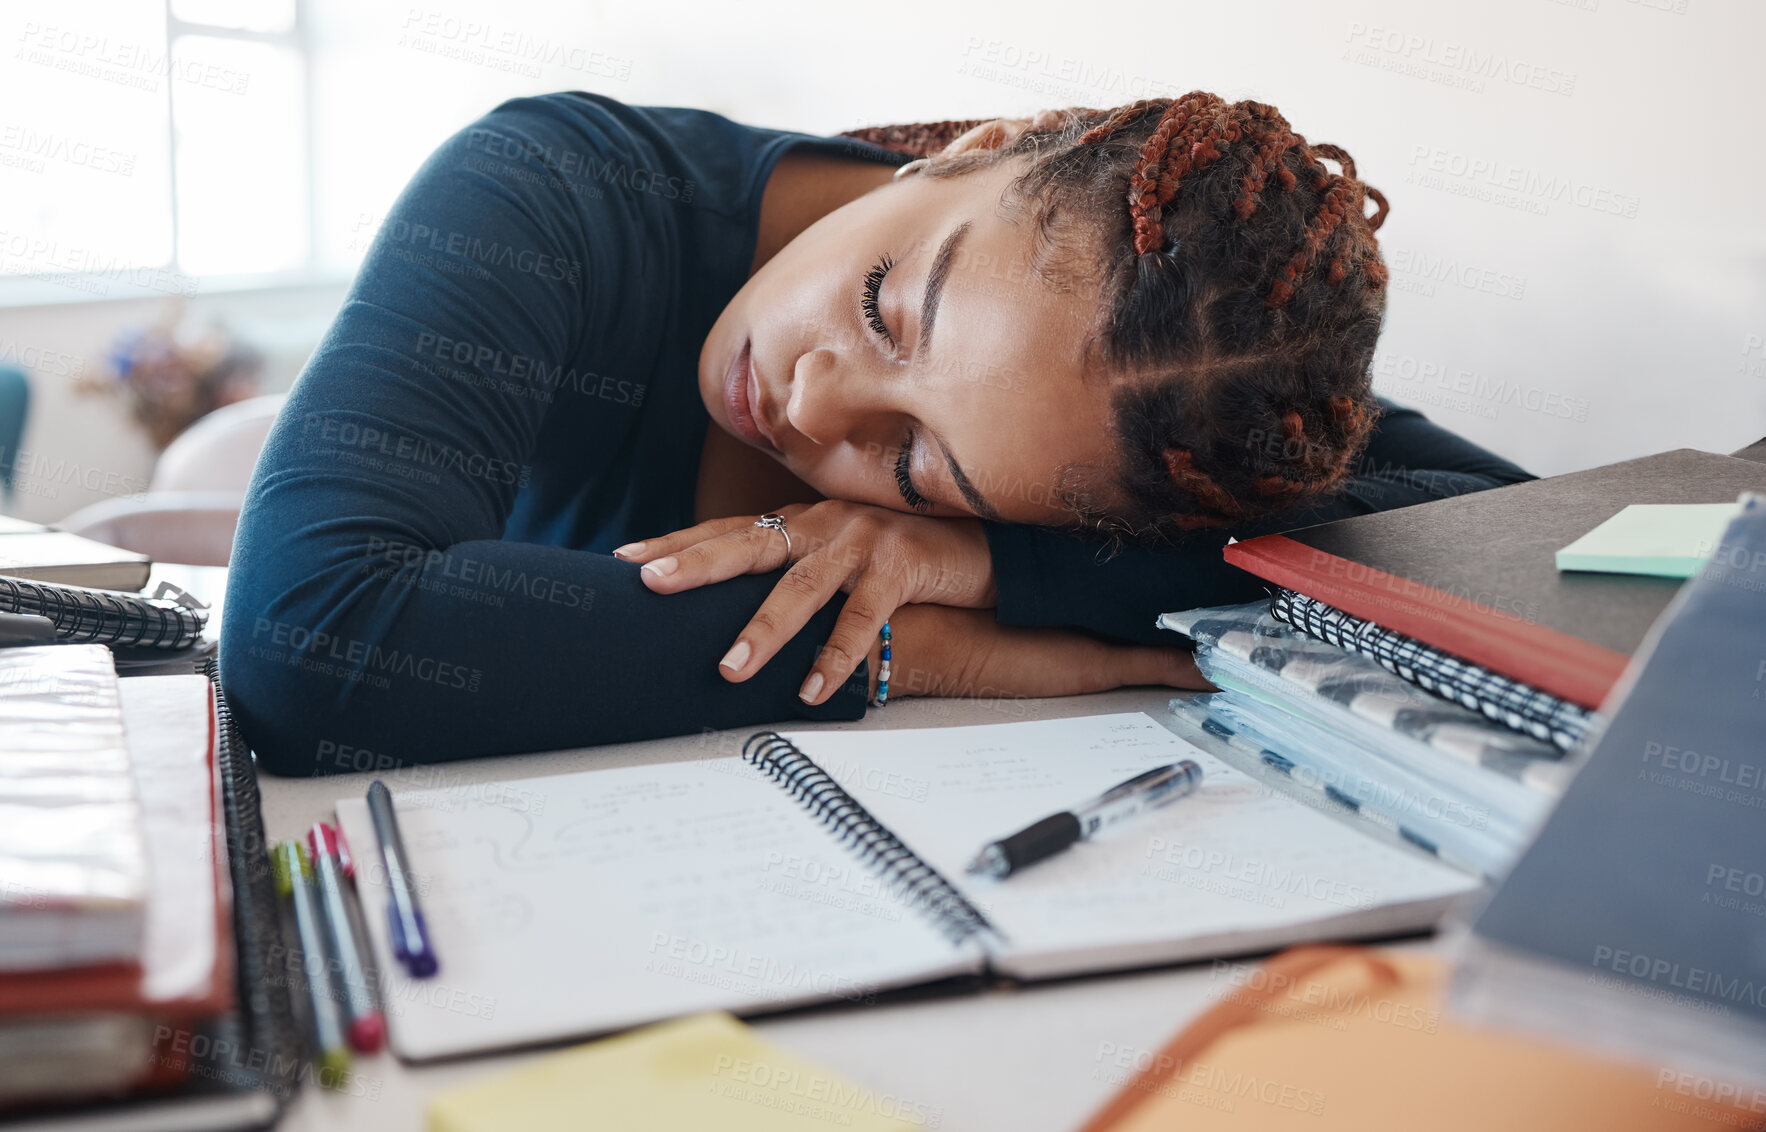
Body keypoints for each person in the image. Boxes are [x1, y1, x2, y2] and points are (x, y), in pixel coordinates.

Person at [219, 90, 1532, 776]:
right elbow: (309, 641)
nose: (812, 402)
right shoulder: (556, 188)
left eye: (913, 463)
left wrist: (991, 565)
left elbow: (1520, 542)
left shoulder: (1166, 406)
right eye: (884, 306)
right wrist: (930, 652)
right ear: (983, 145)